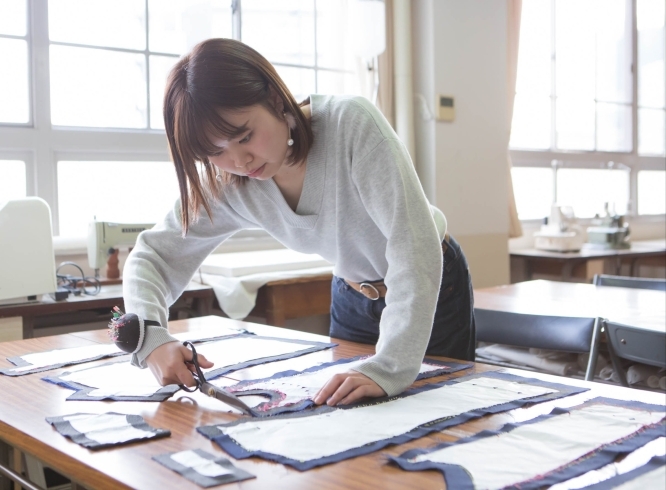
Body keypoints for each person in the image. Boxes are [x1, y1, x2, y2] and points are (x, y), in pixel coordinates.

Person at [122, 38, 475, 407]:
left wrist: (389, 367)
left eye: (244, 136)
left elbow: (413, 248)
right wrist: (152, 340)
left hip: (431, 282)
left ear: (275, 99)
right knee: (352, 421)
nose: (240, 160)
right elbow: (154, 255)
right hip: (352, 294)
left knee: (442, 414)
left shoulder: (351, 124)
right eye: (215, 153)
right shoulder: (227, 181)